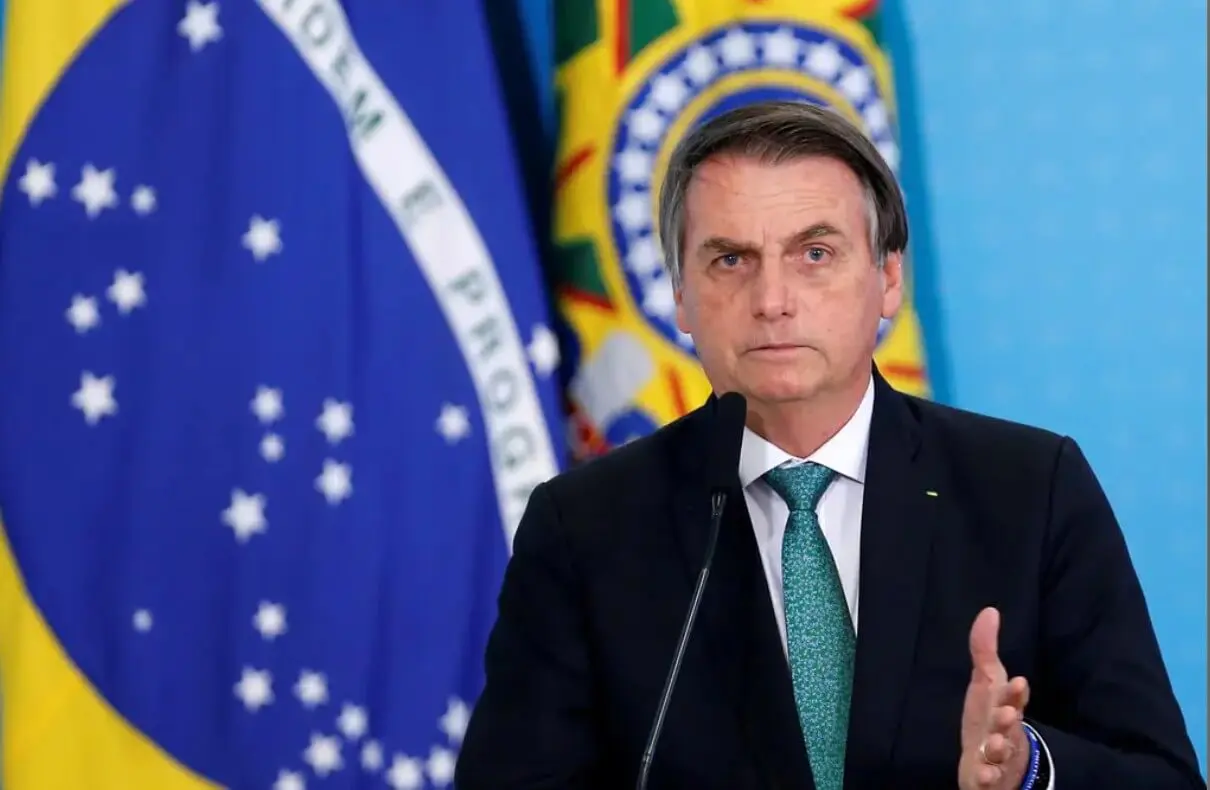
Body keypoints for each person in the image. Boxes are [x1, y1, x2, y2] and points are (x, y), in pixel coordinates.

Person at [455, 100, 1203, 789]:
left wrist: (1028, 769)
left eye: (815, 253)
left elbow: (1162, 778)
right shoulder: (587, 528)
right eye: (730, 259)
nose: (772, 299)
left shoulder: (1029, 489)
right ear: (680, 296)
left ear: (887, 279)